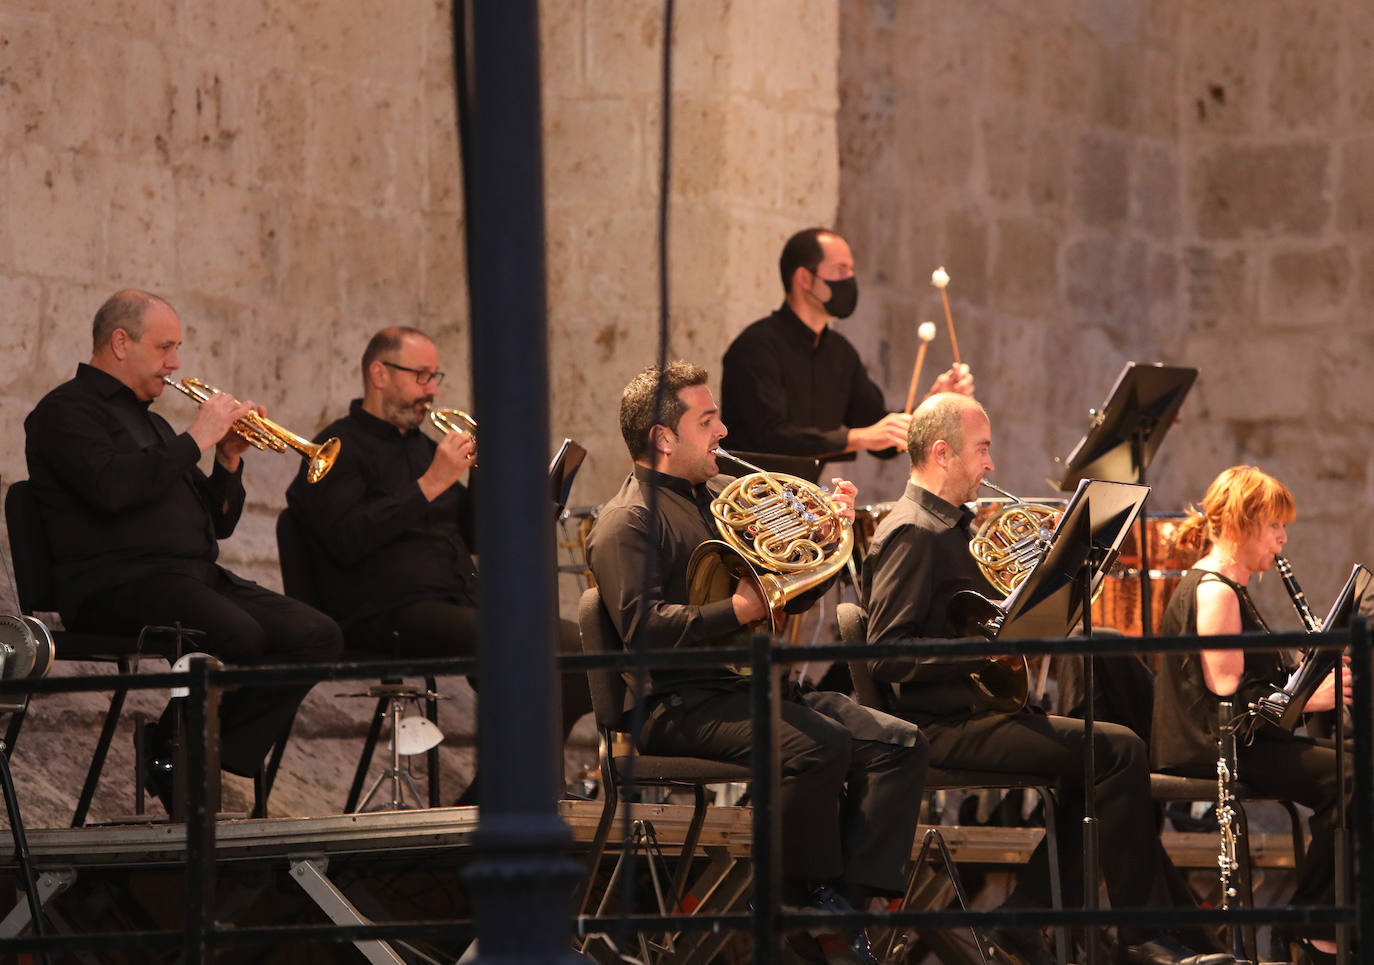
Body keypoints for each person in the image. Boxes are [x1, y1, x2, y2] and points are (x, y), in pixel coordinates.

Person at [860, 392, 1230, 965]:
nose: (990, 465)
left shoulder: (947, 528)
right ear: (942, 454)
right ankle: (1142, 938)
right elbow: (888, 654)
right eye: (981, 451)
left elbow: (962, 619)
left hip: (974, 710)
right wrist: (988, 650)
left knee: (1095, 769)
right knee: (1119, 750)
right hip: (943, 723)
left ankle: (1026, 921)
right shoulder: (914, 532)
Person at [587, 360, 929, 963]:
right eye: (708, 420)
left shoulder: (719, 499)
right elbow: (645, 631)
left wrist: (827, 539)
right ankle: (798, 903)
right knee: (818, 746)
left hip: (746, 689)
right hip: (675, 702)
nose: (722, 432)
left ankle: (845, 909)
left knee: (898, 744)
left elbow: (782, 593)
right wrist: (740, 609)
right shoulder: (627, 521)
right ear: (664, 439)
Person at [24, 289, 344, 810]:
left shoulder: (151, 421)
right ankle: (182, 745)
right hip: (116, 582)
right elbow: (112, 490)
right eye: (165, 347)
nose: (175, 363)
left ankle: (191, 744)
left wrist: (229, 459)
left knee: (317, 635)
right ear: (121, 342)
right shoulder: (63, 413)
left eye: (178, 348)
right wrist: (196, 437)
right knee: (240, 635)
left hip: (191, 578)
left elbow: (217, 524)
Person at [285, 326, 591, 803]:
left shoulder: (423, 447)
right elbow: (346, 539)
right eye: (421, 376)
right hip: (383, 609)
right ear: (379, 373)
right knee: (532, 642)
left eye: (435, 376)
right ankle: (513, 793)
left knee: (581, 645)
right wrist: (431, 482)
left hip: (454, 601)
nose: (432, 389)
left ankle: (505, 791)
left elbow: (475, 534)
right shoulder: (337, 448)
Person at [1153, 466, 1350, 965]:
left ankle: (1323, 922)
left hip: (1240, 742)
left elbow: (1256, 690)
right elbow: (1229, 696)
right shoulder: (1216, 591)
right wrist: (1312, 696)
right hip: (1212, 748)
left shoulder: (1230, 588)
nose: (1283, 539)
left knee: (1354, 764)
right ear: (1242, 525)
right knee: (1351, 776)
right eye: (1275, 527)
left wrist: (1310, 673)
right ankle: (1312, 928)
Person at [720, 227, 973, 466]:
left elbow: (883, 440)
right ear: (805, 279)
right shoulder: (755, 348)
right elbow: (771, 438)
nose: (850, 279)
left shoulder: (840, 354)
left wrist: (932, 402)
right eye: (840, 270)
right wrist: (859, 438)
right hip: (742, 498)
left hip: (802, 499)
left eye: (851, 270)